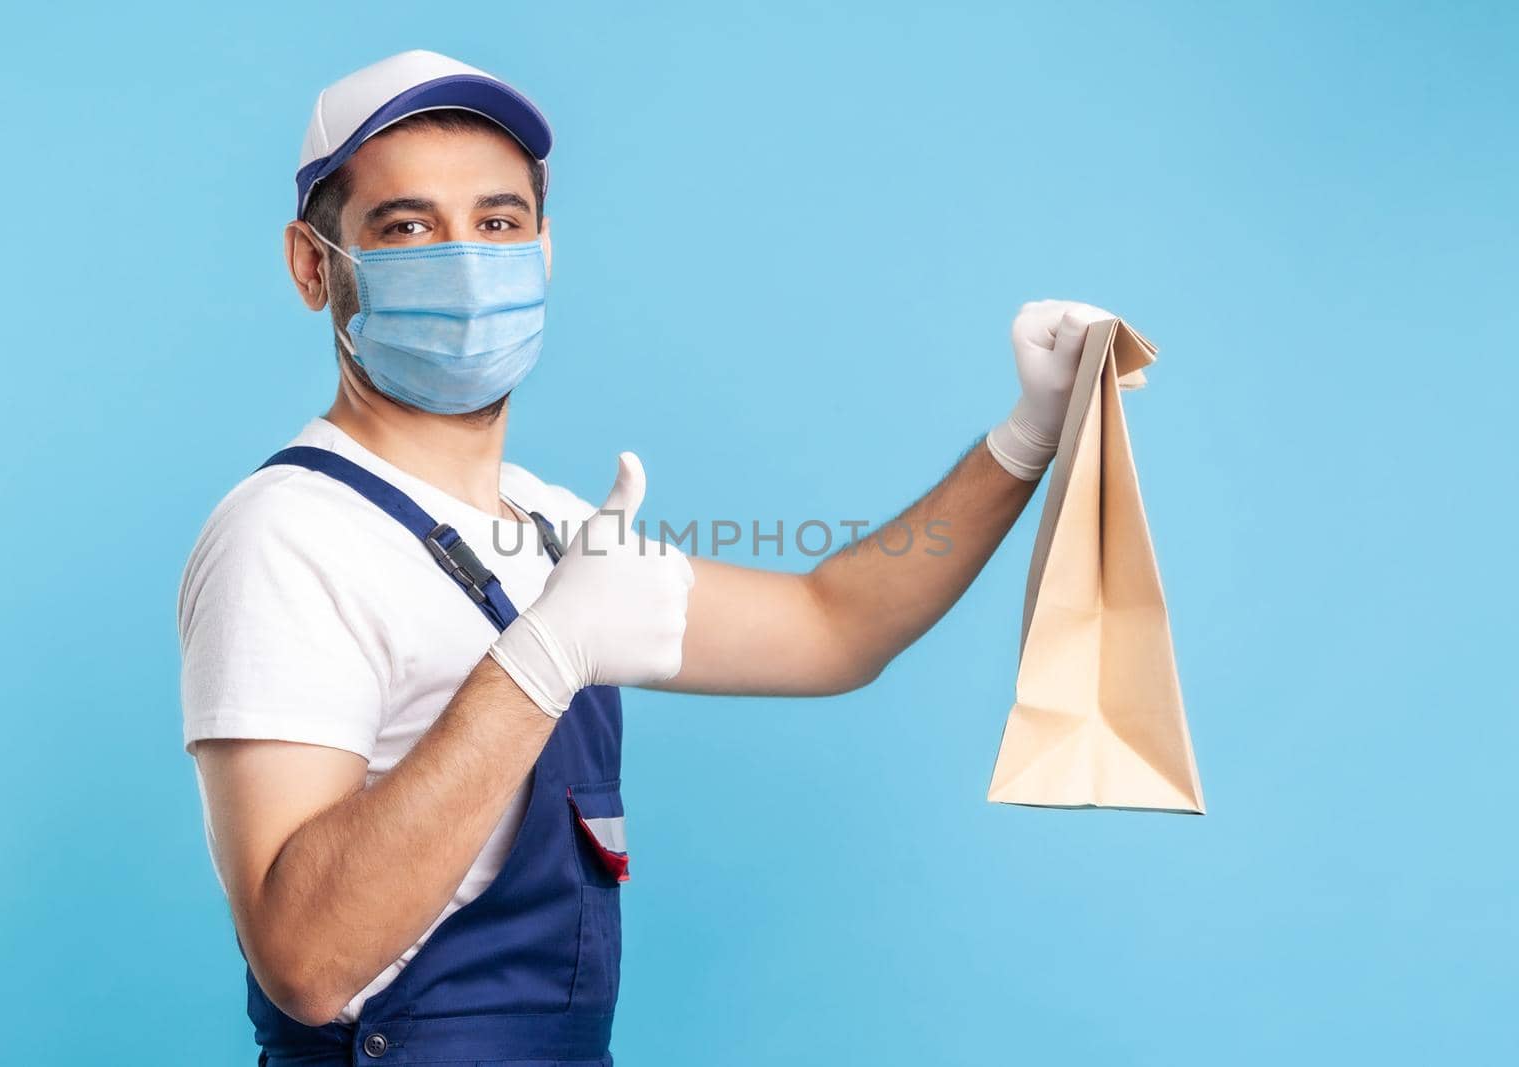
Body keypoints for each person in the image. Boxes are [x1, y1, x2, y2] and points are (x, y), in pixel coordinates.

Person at [177, 48, 1114, 1067]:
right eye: (406, 227)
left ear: (542, 252)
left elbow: (833, 627)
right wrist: (542, 657)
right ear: (315, 265)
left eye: (497, 223)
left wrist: (1027, 436)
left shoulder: (548, 523)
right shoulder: (288, 533)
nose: (465, 258)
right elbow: (305, 958)